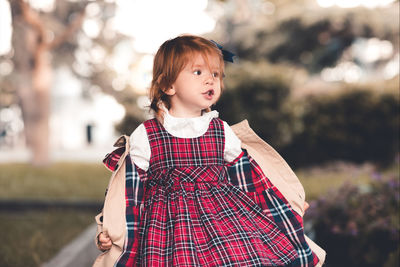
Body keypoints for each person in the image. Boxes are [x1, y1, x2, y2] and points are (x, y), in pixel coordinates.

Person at [93, 35, 325, 267]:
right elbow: (127, 193)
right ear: (167, 85)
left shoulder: (221, 131)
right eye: (198, 73)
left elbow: (252, 180)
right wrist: (109, 229)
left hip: (225, 223)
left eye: (215, 74)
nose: (210, 81)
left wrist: (285, 204)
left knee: (244, 259)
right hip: (170, 232)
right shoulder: (148, 135)